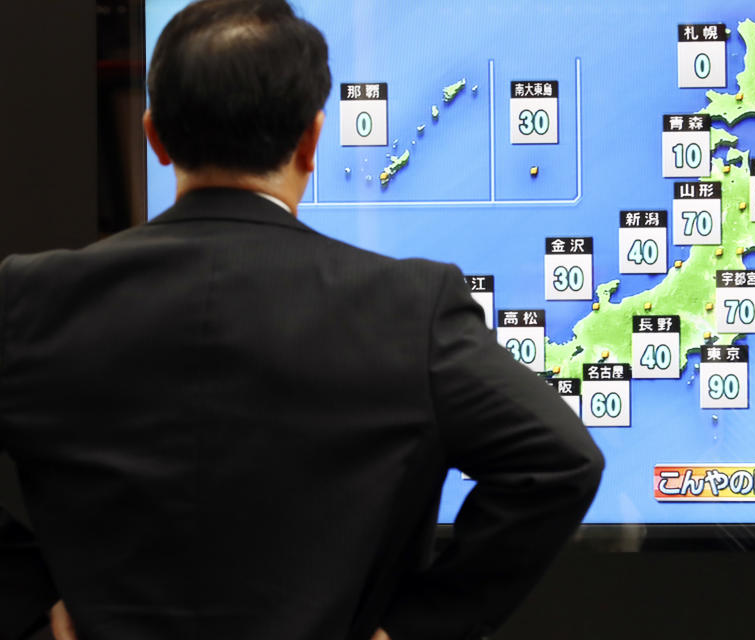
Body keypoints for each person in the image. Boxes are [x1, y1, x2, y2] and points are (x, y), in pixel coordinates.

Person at [0, 1, 604, 639]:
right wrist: (418, 627)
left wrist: (31, 603)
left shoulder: (27, 298)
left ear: (154, 135)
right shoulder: (409, 307)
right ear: (312, 140)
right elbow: (562, 462)